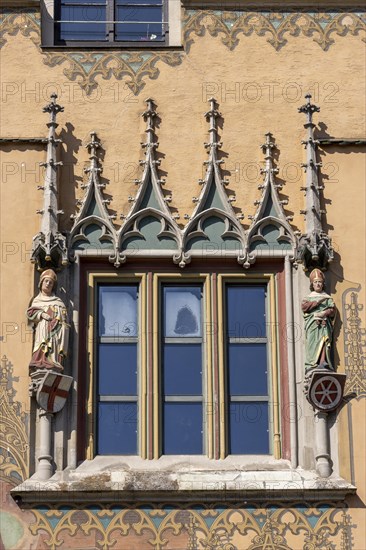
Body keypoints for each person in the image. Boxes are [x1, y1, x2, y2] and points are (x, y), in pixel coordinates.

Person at [27, 269, 69, 372]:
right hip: (42, 329)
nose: (48, 284)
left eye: (51, 282)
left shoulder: (58, 302)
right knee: (42, 343)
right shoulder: (37, 300)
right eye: (46, 281)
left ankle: (54, 362)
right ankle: (39, 361)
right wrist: (42, 314)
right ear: (41, 283)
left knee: (54, 348)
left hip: (55, 332)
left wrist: (62, 324)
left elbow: (65, 319)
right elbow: (30, 313)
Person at [302, 268, 336, 374]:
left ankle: (323, 362)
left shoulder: (327, 297)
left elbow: (332, 310)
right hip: (312, 324)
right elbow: (305, 307)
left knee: (325, 341)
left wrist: (324, 313)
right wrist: (317, 302)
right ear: (312, 284)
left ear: (323, 284)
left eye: (320, 282)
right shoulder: (308, 297)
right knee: (313, 342)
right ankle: (312, 364)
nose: (318, 284)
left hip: (325, 323)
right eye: (316, 282)